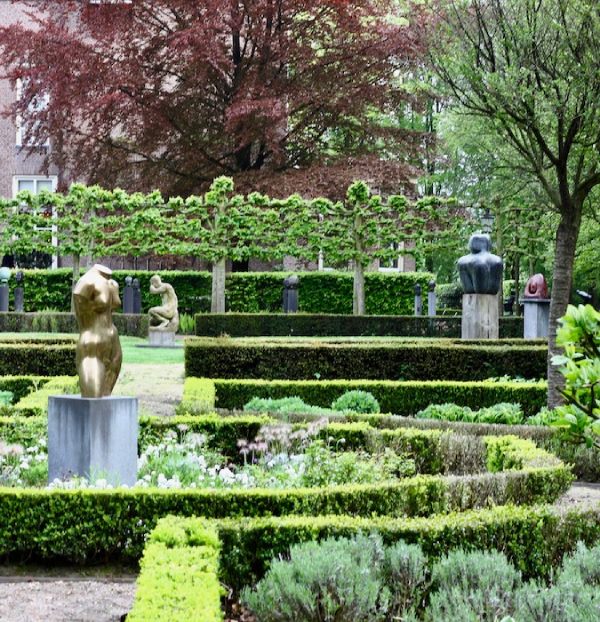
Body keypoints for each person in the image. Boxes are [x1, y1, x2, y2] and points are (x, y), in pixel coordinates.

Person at [73, 264, 122, 397]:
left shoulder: (111, 284)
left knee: (105, 398)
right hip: (92, 344)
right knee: (92, 397)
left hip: (113, 342)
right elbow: (80, 311)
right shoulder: (86, 282)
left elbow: (115, 305)